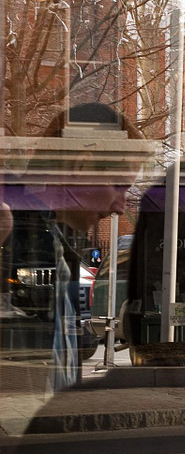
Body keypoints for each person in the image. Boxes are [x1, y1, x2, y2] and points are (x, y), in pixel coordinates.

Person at [2, 103, 144, 391]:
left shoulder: (47, 239)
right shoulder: (16, 235)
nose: (120, 206)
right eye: (119, 185)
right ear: (81, 164)